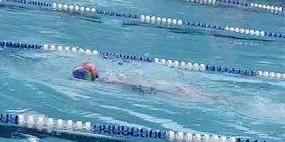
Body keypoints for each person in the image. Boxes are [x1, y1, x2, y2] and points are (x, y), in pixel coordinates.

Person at [70, 63, 202, 96]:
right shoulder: (107, 79)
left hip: (144, 86)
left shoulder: (107, 81)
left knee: (174, 90)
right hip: (145, 85)